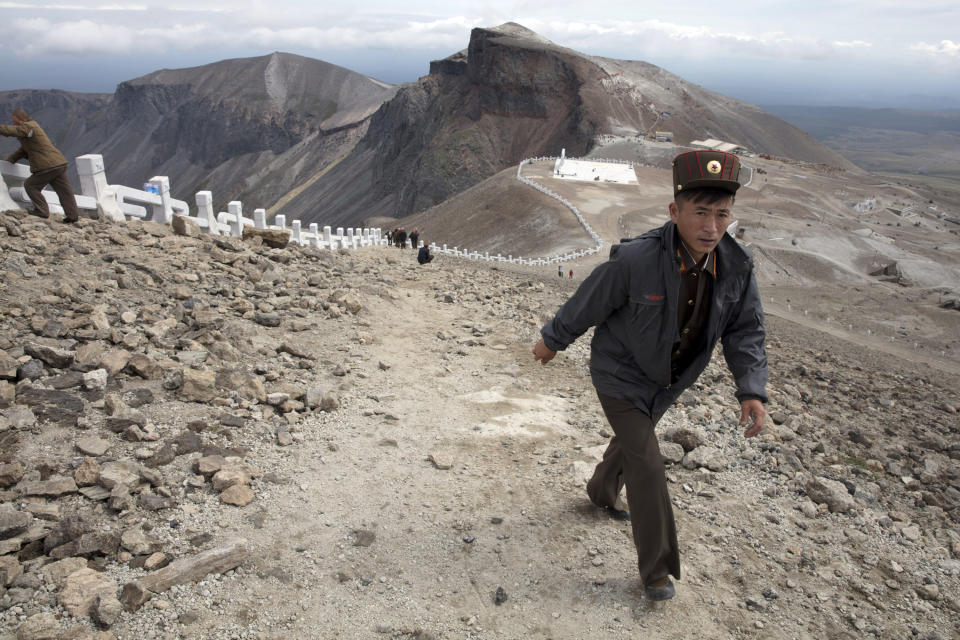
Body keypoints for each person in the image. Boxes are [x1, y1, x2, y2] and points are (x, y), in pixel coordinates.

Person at [532, 150, 768, 602]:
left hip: (669, 380)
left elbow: (746, 330)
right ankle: (656, 570)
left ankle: (601, 490)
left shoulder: (737, 266)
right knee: (648, 461)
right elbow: (589, 302)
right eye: (700, 213)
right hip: (619, 375)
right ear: (674, 211)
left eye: (722, 215)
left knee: (633, 444)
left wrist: (751, 389)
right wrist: (552, 341)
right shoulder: (635, 260)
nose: (711, 228)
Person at [0, 109, 79, 223]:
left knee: (30, 185)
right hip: (58, 163)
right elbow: (23, 150)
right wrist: (10, 159)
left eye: (14, 120)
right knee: (64, 191)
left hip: (48, 165)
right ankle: (73, 216)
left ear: (19, 119)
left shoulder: (29, 127)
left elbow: (14, 131)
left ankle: (42, 211)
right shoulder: (31, 129)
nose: (13, 123)